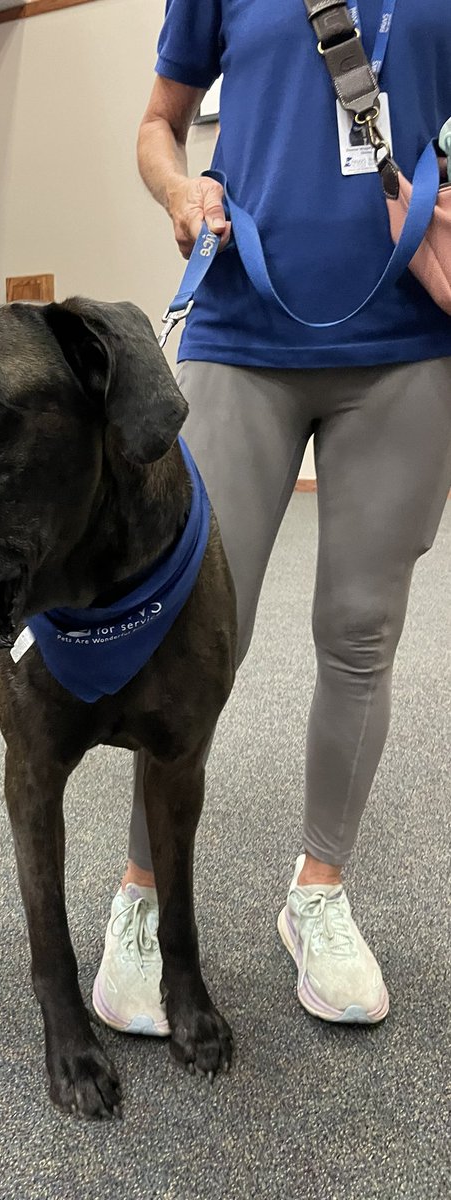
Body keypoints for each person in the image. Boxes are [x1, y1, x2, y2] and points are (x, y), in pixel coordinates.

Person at [92, 0, 451, 1032]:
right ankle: (141, 894)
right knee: (196, 632)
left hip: (411, 336)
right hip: (242, 326)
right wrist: (177, 185)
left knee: (362, 630)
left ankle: (319, 893)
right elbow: (158, 121)